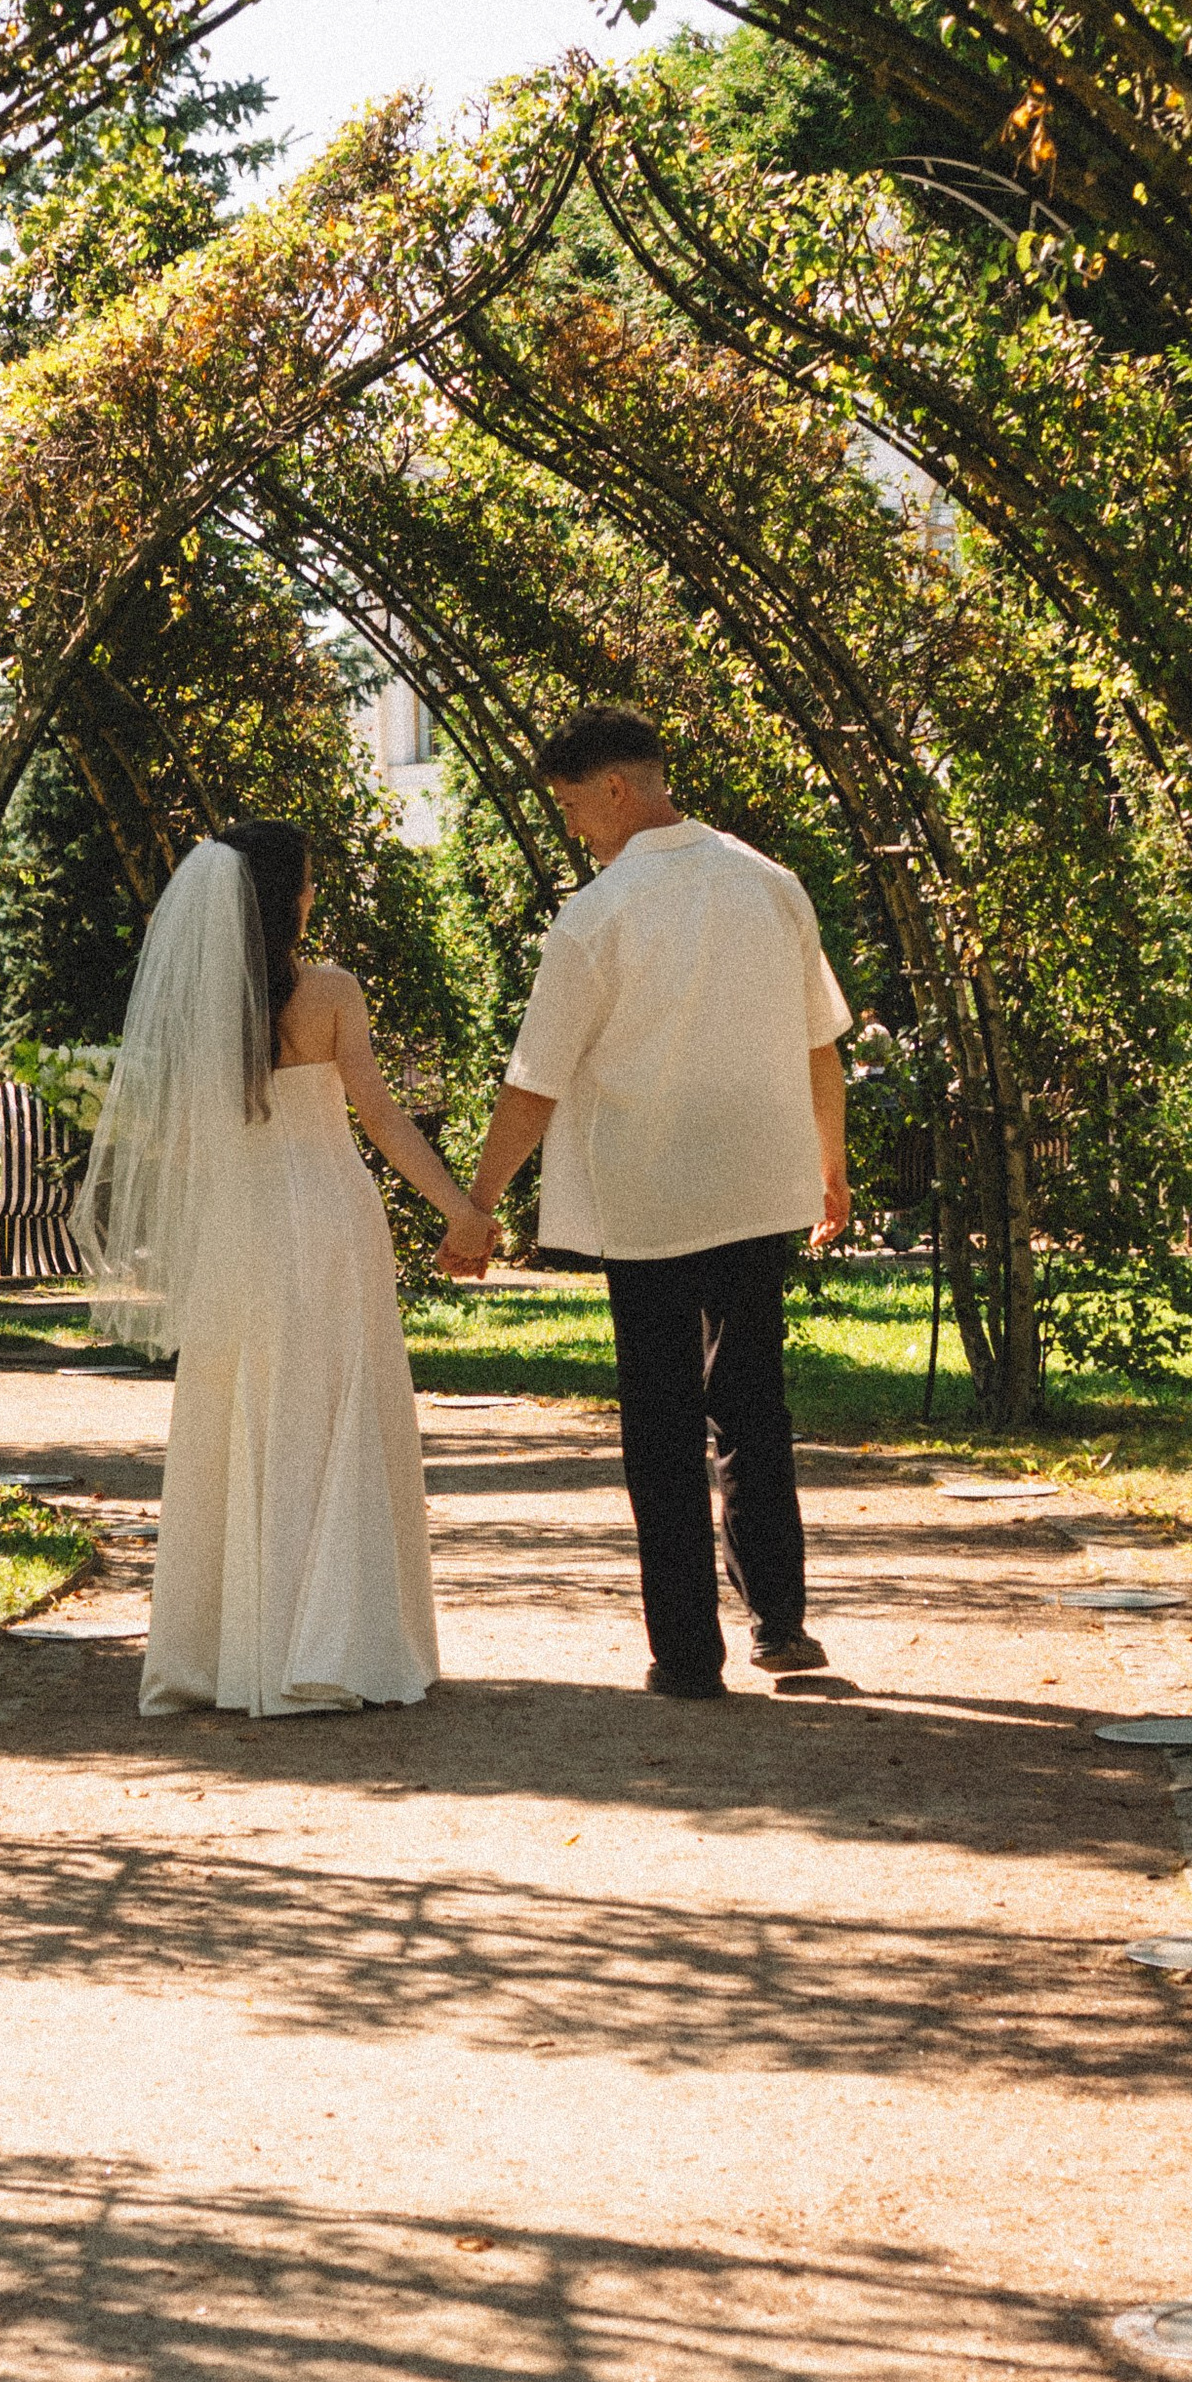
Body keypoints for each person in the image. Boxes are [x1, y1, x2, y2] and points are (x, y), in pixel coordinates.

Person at [452, 710, 852, 1699]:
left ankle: (685, 1653)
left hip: (649, 1195)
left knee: (661, 1423)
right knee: (755, 1409)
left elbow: (534, 1077)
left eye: (574, 806)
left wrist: (480, 1202)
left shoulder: (600, 914)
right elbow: (820, 1046)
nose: (574, 828)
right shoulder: (770, 884)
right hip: (760, 1183)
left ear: (619, 789)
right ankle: (779, 1624)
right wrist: (829, 1168)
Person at [76, 820, 496, 1717]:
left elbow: (179, 1145)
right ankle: (338, 1639)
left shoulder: (205, 1008)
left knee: (243, 1410)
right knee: (335, 1405)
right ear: (288, 897)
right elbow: (381, 1120)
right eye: (307, 882)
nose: (312, 895)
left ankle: (233, 1648)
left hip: (244, 1225)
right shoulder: (334, 991)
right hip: (332, 1218)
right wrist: (461, 1210)